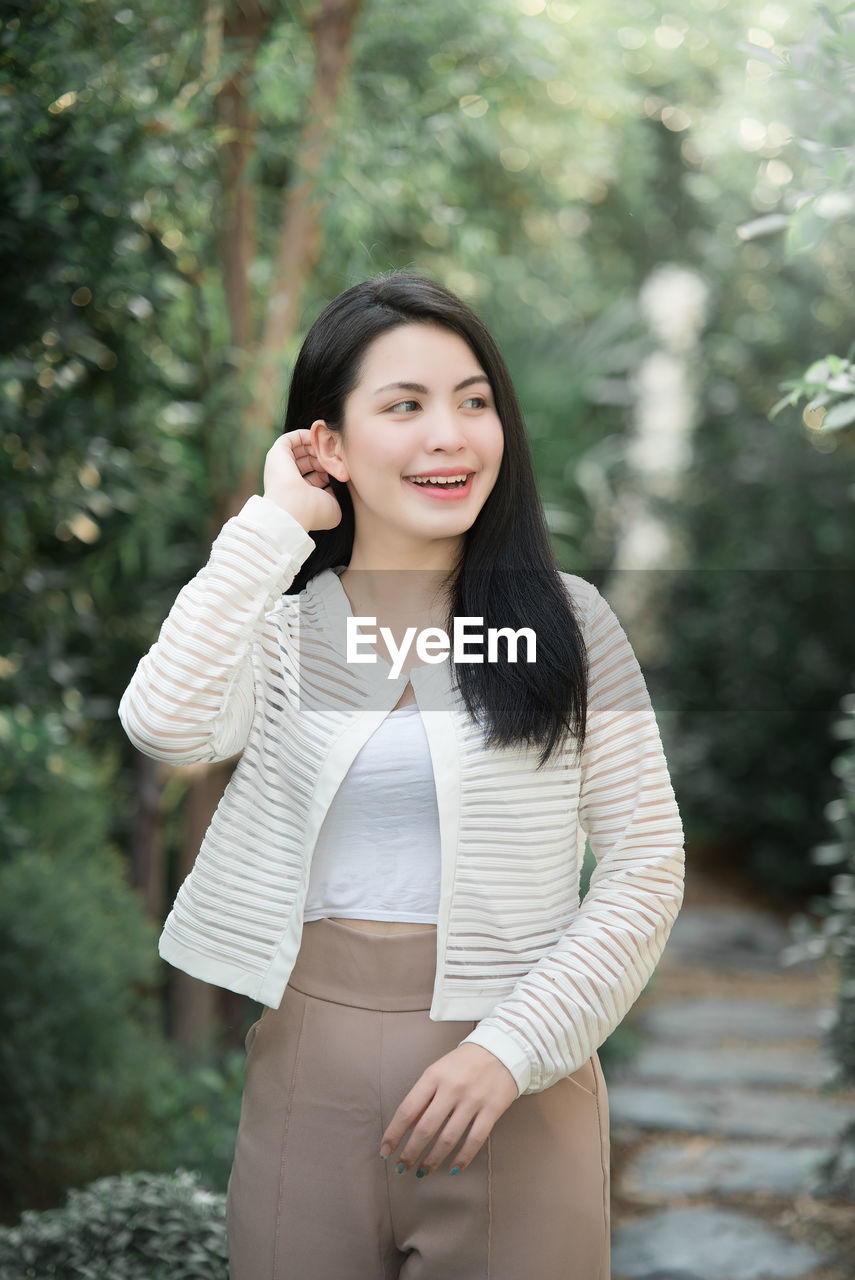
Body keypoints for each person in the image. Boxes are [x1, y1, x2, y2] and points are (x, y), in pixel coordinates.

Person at [119, 272, 685, 1280]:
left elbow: (646, 864)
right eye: (405, 405)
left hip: (516, 1080)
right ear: (328, 443)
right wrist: (272, 524)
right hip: (309, 1070)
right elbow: (166, 724)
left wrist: (506, 1048)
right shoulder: (286, 631)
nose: (452, 436)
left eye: (475, 401)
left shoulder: (569, 623)